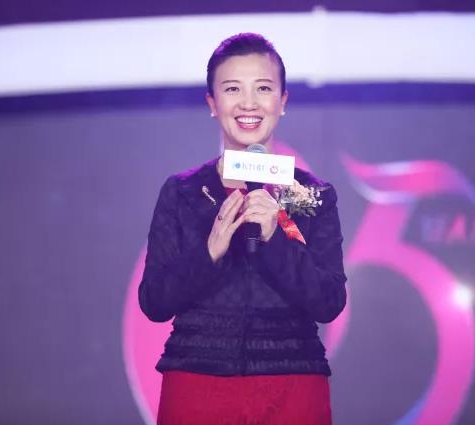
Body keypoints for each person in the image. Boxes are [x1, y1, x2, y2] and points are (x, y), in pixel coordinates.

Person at [138, 33, 347, 425]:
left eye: (263, 88)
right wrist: (209, 252)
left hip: (292, 382)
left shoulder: (313, 194)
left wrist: (274, 239)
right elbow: (154, 301)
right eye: (232, 89)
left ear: (282, 101)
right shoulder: (183, 192)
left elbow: (329, 302)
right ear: (212, 104)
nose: (249, 103)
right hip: (198, 381)